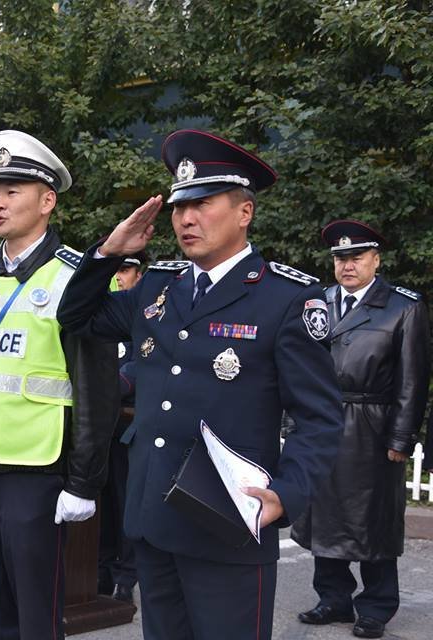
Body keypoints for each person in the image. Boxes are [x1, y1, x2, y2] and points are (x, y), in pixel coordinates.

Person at [55, 129, 345, 640]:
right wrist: (106, 253)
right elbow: (77, 316)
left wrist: (287, 492)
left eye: (203, 204)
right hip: (155, 518)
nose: (186, 219)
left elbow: (320, 418)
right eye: (179, 207)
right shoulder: (158, 286)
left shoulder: (285, 300)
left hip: (228, 523)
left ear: (244, 212)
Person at [0, 130, 117, 639]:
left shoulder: (74, 278)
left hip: (35, 468)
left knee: (36, 612)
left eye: (13, 191)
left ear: (47, 200)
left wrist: (84, 481)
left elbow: (96, 388)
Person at [291, 220, 430, 639]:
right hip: (322, 421)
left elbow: (413, 380)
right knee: (322, 515)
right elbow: (298, 365)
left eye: (355, 257)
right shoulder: (319, 301)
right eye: (339, 258)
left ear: (376, 260)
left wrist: (401, 438)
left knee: (372, 519)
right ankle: (333, 597)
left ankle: (375, 606)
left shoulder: (403, 306)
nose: (346, 265)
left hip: (372, 426)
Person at [97, 251, 146, 604]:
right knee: (99, 503)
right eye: (114, 269)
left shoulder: (145, 317)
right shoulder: (100, 317)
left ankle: (126, 577)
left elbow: (138, 368)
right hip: (97, 427)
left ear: (138, 275)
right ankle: (98, 570)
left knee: (126, 502)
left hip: (129, 427)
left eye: (126, 270)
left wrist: (97, 384)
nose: (118, 276)